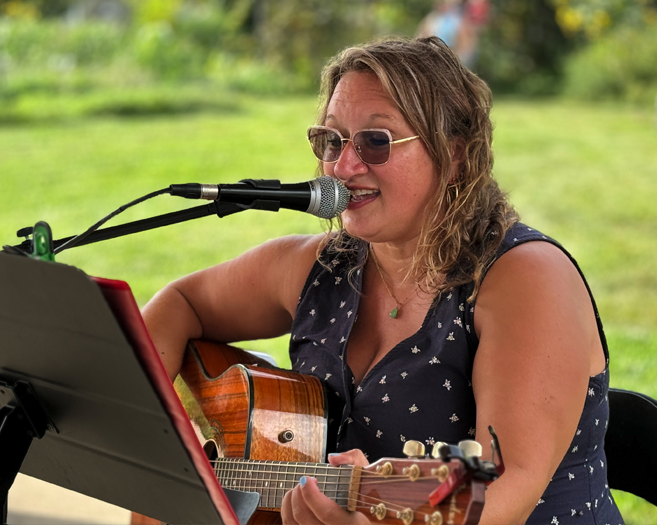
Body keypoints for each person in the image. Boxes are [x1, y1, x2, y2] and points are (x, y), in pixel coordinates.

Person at [143, 37, 623, 524]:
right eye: (332, 140)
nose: (343, 167)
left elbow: (505, 484)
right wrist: (149, 429)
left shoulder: (525, 279)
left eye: (376, 142)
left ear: (454, 156)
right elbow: (183, 302)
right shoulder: (324, 268)